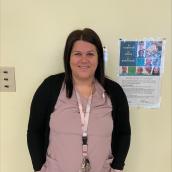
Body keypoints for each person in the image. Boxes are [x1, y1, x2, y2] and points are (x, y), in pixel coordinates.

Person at [27, 28, 131, 172]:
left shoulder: (114, 92)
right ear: (68, 57)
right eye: (77, 54)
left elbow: (124, 133)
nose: (84, 60)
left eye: (90, 54)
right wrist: (39, 169)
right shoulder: (50, 88)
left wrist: (117, 168)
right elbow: (34, 131)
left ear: (98, 58)